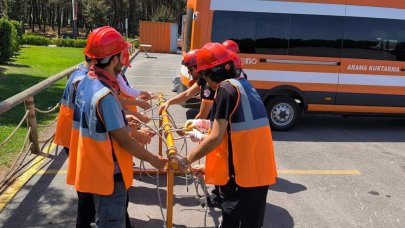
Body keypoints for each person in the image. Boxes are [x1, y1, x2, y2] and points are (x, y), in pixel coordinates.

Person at [74, 26, 166, 227]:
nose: (124, 60)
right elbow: (124, 140)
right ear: (114, 59)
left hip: (93, 168)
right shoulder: (104, 93)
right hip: (108, 174)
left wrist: (125, 122)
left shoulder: (87, 82)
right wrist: (154, 159)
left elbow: (99, 122)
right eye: (121, 56)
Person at [180, 42, 277, 228]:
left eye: (206, 76)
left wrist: (187, 159)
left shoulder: (225, 89)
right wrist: (203, 125)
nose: (206, 82)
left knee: (235, 222)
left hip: (244, 176)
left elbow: (216, 137)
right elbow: (232, 131)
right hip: (257, 172)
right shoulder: (242, 85)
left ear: (216, 71)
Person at [53, 55, 96, 228]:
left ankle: (90, 216)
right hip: (73, 135)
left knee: (86, 185)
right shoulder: (82, 79)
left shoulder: (82, 71)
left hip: (73, 134)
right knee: (85, 186)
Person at [159, 49, 215, 120]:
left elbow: (202, 115)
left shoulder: (209, 85)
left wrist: (187, 129)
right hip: (214, 115)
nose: (189, 72)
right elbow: (187, 94)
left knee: (191, 116)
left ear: (198, 67)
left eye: (191, 69)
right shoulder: (203, 79)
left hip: (218, 120)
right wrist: (169, 102)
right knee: (190, 114)